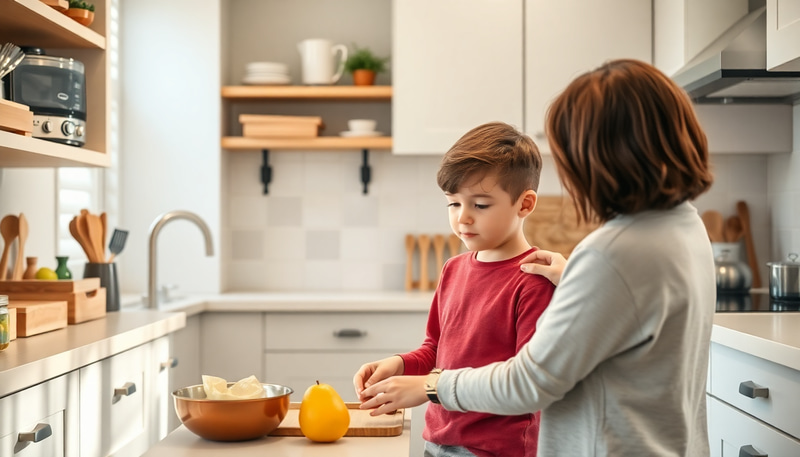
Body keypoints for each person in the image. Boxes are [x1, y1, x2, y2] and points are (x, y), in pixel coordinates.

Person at [358, 59, 716, 456]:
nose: (571, 173)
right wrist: (580, 279)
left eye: (571, 155)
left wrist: (431, 385)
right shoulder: (686, 228)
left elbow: (530, 382)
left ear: (608, 156)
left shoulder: (611, 255)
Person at [353, 122, 556, 457]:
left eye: (480, 205)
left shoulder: (533, 280)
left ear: (525, 204)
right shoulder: (454, 269)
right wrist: (400, 364)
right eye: (453, 203)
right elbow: (436, 350)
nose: (463, 218)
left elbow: (526, 385)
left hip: (496, 450)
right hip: (437, 442)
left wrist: (426, 388)